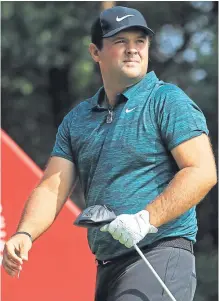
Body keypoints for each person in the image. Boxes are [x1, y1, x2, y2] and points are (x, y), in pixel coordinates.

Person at [2, 6, 217, 301]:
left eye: (140, 42)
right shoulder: (78, 120)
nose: (133, 50)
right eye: (120, 42)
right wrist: (25, 233)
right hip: (108, 266)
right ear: (95, 52)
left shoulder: (167, 100)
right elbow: (52, 186)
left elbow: (202, 171)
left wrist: (145, 220)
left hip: (160, 253)